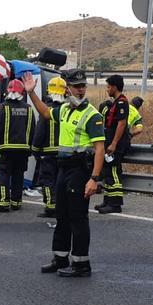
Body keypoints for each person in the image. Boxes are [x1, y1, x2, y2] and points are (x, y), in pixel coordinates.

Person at [25, 69, 105, 278]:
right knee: (62, 215)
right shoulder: (65, 110)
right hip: (64, 169)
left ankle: (81, 264)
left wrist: (94, 179)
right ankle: (60, 258)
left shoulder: (92, 115)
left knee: (77, 217)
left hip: (80, 171)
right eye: (76, 86)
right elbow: (45, 113)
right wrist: (31, 93)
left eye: (83, 86)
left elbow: (100, 149)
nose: (80, 90)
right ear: (67, 88)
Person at [0, 78, 33, 212]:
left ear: (8, 91)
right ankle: (16, 202)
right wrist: (30, 148)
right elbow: (33, 130)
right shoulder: (29, 109)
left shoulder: (3, 107)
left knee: (3, 176)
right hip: (23, 151)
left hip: (5, 150)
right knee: (18, 176)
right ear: (22, 92)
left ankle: (3, 203)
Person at [31, 77, 67, 218]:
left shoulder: (46, 109)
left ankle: (50, 207)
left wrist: (35, 149)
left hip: (47, 153)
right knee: (60, 181)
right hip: (64, 153)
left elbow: (39, 132)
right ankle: (60, 206)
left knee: (47, 180)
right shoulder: (67, 109)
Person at [95, 74, 130, 214]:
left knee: (114, 172)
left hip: (116, 144)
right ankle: (108, 200)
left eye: (108, 87)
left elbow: (121, 124)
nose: (107, 89)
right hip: (109, 142)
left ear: (115, 87)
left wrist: (114, 143)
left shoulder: (122, 102)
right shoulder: (115, 103)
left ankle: (115, 204)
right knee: (108, 171)